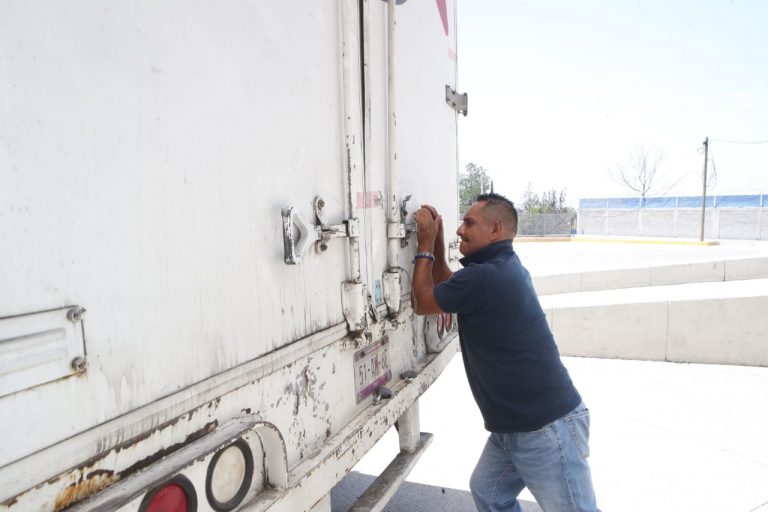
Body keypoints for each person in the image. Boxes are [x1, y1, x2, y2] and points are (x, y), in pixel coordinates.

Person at [411, 193, 598, 512]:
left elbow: (423, 302)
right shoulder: (495, 269)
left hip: (544, 428)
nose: (460, 230)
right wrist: (439, 241)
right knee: (489, 491)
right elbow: (447, 286)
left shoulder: (487, 276)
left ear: (496, 230)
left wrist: (425, 246)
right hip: (518, 425)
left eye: (469, 223)